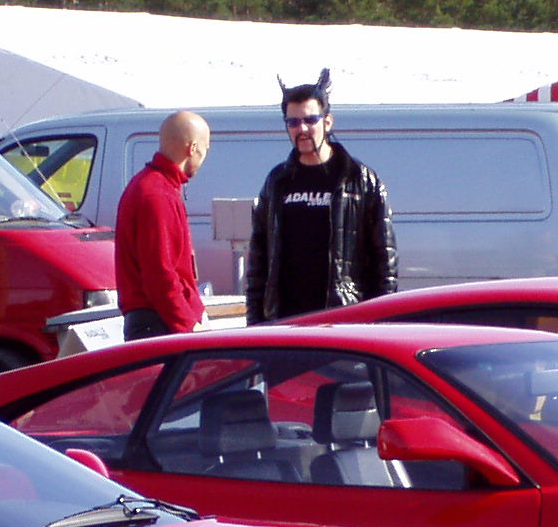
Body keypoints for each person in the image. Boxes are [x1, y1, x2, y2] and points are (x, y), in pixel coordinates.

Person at [246, 71, 396, 324]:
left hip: (344, 320)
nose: (301, 129)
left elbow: (385, 263)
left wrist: (380, 323)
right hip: (285, 321)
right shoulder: (277, 182)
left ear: (327, 122)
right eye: (292, 122)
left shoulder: (360, 180)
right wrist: (255, 323)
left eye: (309, 120)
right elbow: (258, 264)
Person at [114, 110, 211, 340]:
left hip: (158, 321)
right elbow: (159, 273)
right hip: (158, 324)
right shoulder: (156, 194)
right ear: (193, 148)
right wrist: (187, 325)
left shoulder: (155, 187)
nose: (205, 155)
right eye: (206, 148)